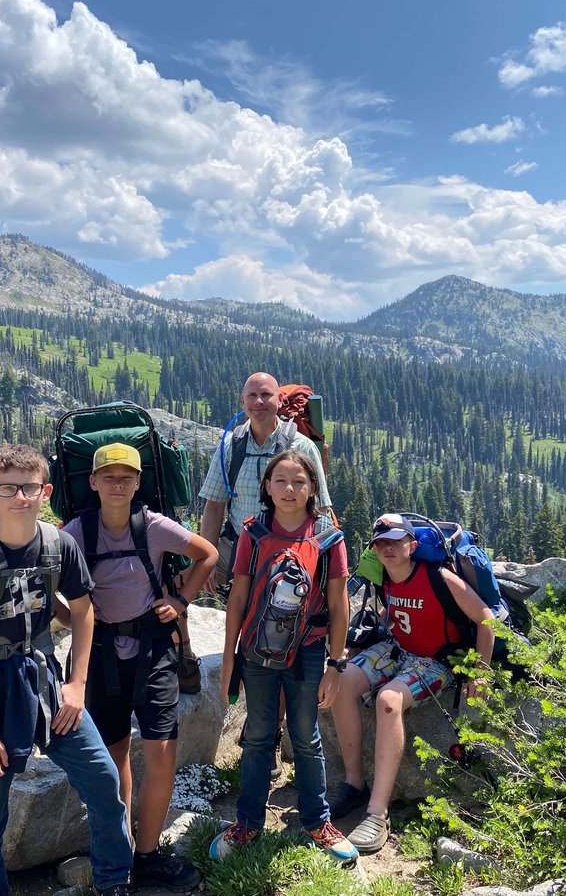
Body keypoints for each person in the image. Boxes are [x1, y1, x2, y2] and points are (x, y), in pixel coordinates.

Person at [0, 444, 132, 896]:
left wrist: (77, 685)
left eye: (29, 488)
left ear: (45, 491)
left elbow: (84, 613)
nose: (20, 498)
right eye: (9, 488)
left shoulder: (58, 545)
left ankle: (113, 881)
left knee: (104, 782)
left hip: (46, 685)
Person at [63, 442, 217, 891]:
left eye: (126, 477)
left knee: (162, 751)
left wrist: (180, 600)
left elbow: (207, 554)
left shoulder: (152, 526)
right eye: (108, 477)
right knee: (113, 755)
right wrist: (70, 618)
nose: (117, 484)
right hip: (101, 654)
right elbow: (46, 577)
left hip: (153, 649)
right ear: (93, 483)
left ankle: (145, 854)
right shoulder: (76, 531)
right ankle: (121, 850)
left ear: (137, 483)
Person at [180, 371, 331, 780]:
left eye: (266, 395)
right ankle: (263, 728)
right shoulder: (232, 445)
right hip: (244, 557)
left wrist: (326, 568)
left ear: (278, 401)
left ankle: (266, 731)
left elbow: (320, 508)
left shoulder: (299, 447)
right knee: (252, 639)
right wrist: (206, 560)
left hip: (291, 563)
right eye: (252, 395)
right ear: (242, 399)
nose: (259, 402)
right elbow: (214, 506)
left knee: (278, 640)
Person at [211, 450, 357, 863]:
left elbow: (339, 602)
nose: (289, 489)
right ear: (267, 487)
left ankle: (317, 821)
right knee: (257, 735)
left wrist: (336, 664)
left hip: (310, 650)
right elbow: (238, 596)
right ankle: (247, 823)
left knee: (306, 737)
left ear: (313, 489)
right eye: (281, 481)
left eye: (299, 482)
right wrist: (229, 659)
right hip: (257, 651)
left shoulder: (329, 537)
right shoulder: (253, 533)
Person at [327, 512, 495, 854]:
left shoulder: (439, 576)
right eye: (381, 543)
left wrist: (480, 671)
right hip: (399, 648)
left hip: (438, 659)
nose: (388, 548)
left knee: (388, 700)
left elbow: (485, 618)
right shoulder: (383, 578)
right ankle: (354, 783)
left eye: (396, 541)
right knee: (342, 682)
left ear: (412, 545)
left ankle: (377, 813)